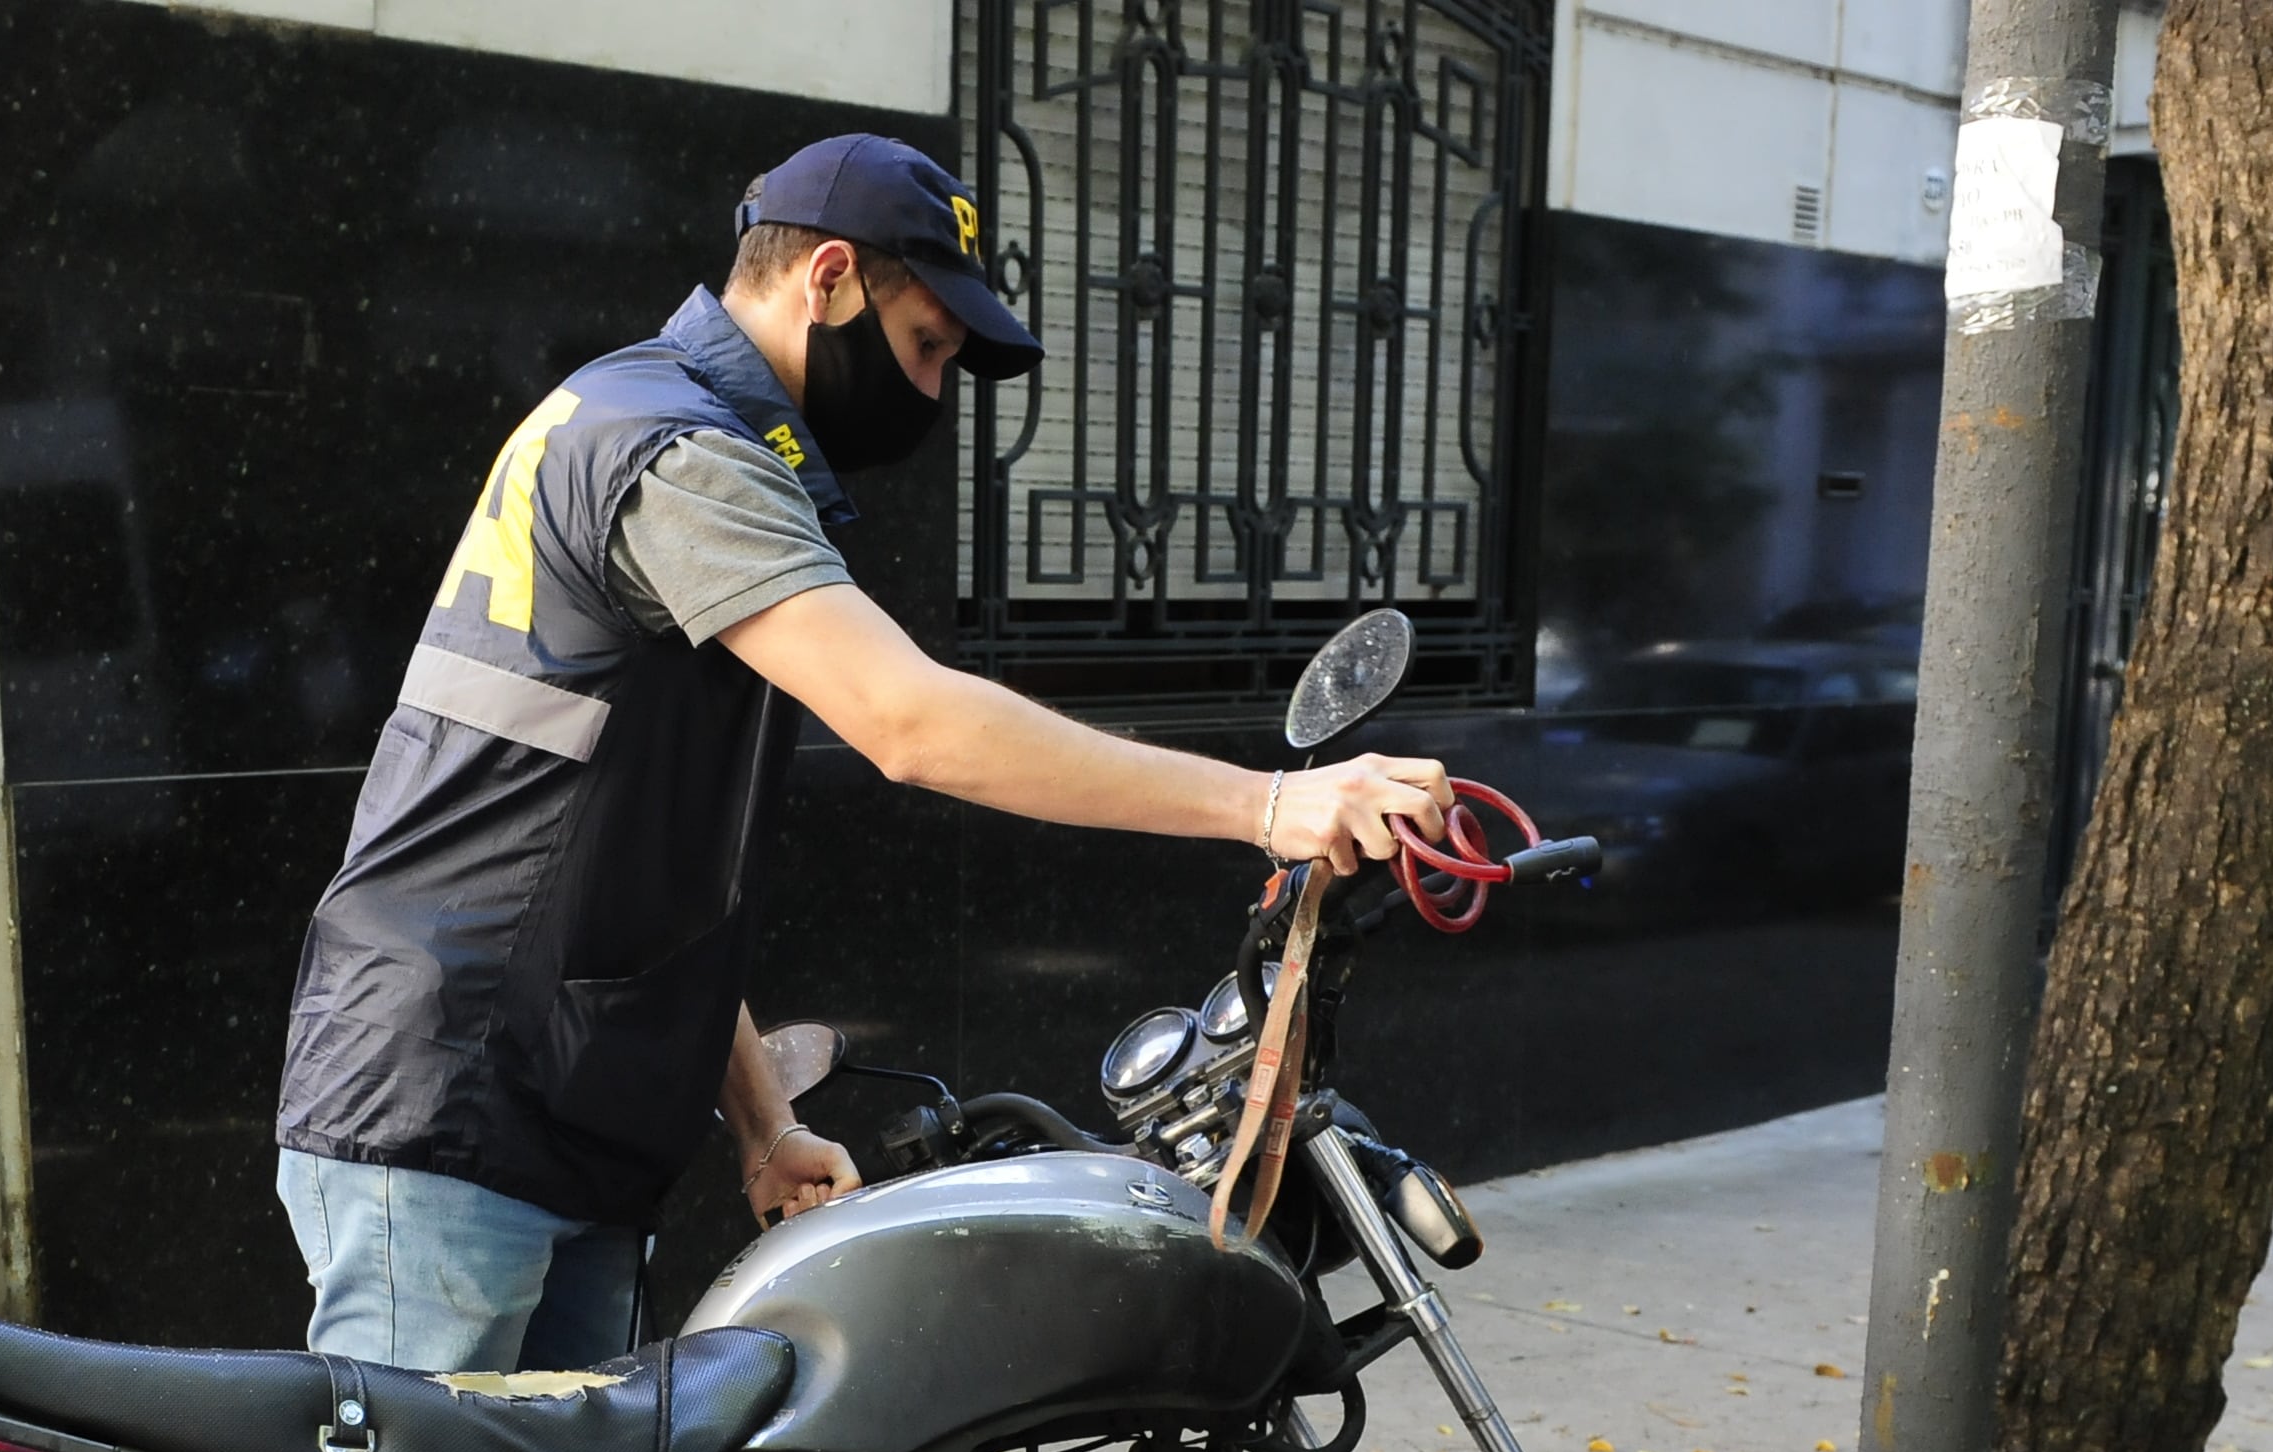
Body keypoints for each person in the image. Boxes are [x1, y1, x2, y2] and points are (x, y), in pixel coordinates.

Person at [275, 132, 1452, 1374]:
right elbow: (912, 724)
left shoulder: (657, 418)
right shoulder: (677, 454)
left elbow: (613, 867)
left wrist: (760, 1121)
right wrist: (1274, 805)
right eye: (927, 344)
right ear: (826, 276)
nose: (935, 392)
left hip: (541, 1106)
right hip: (456, 1103)